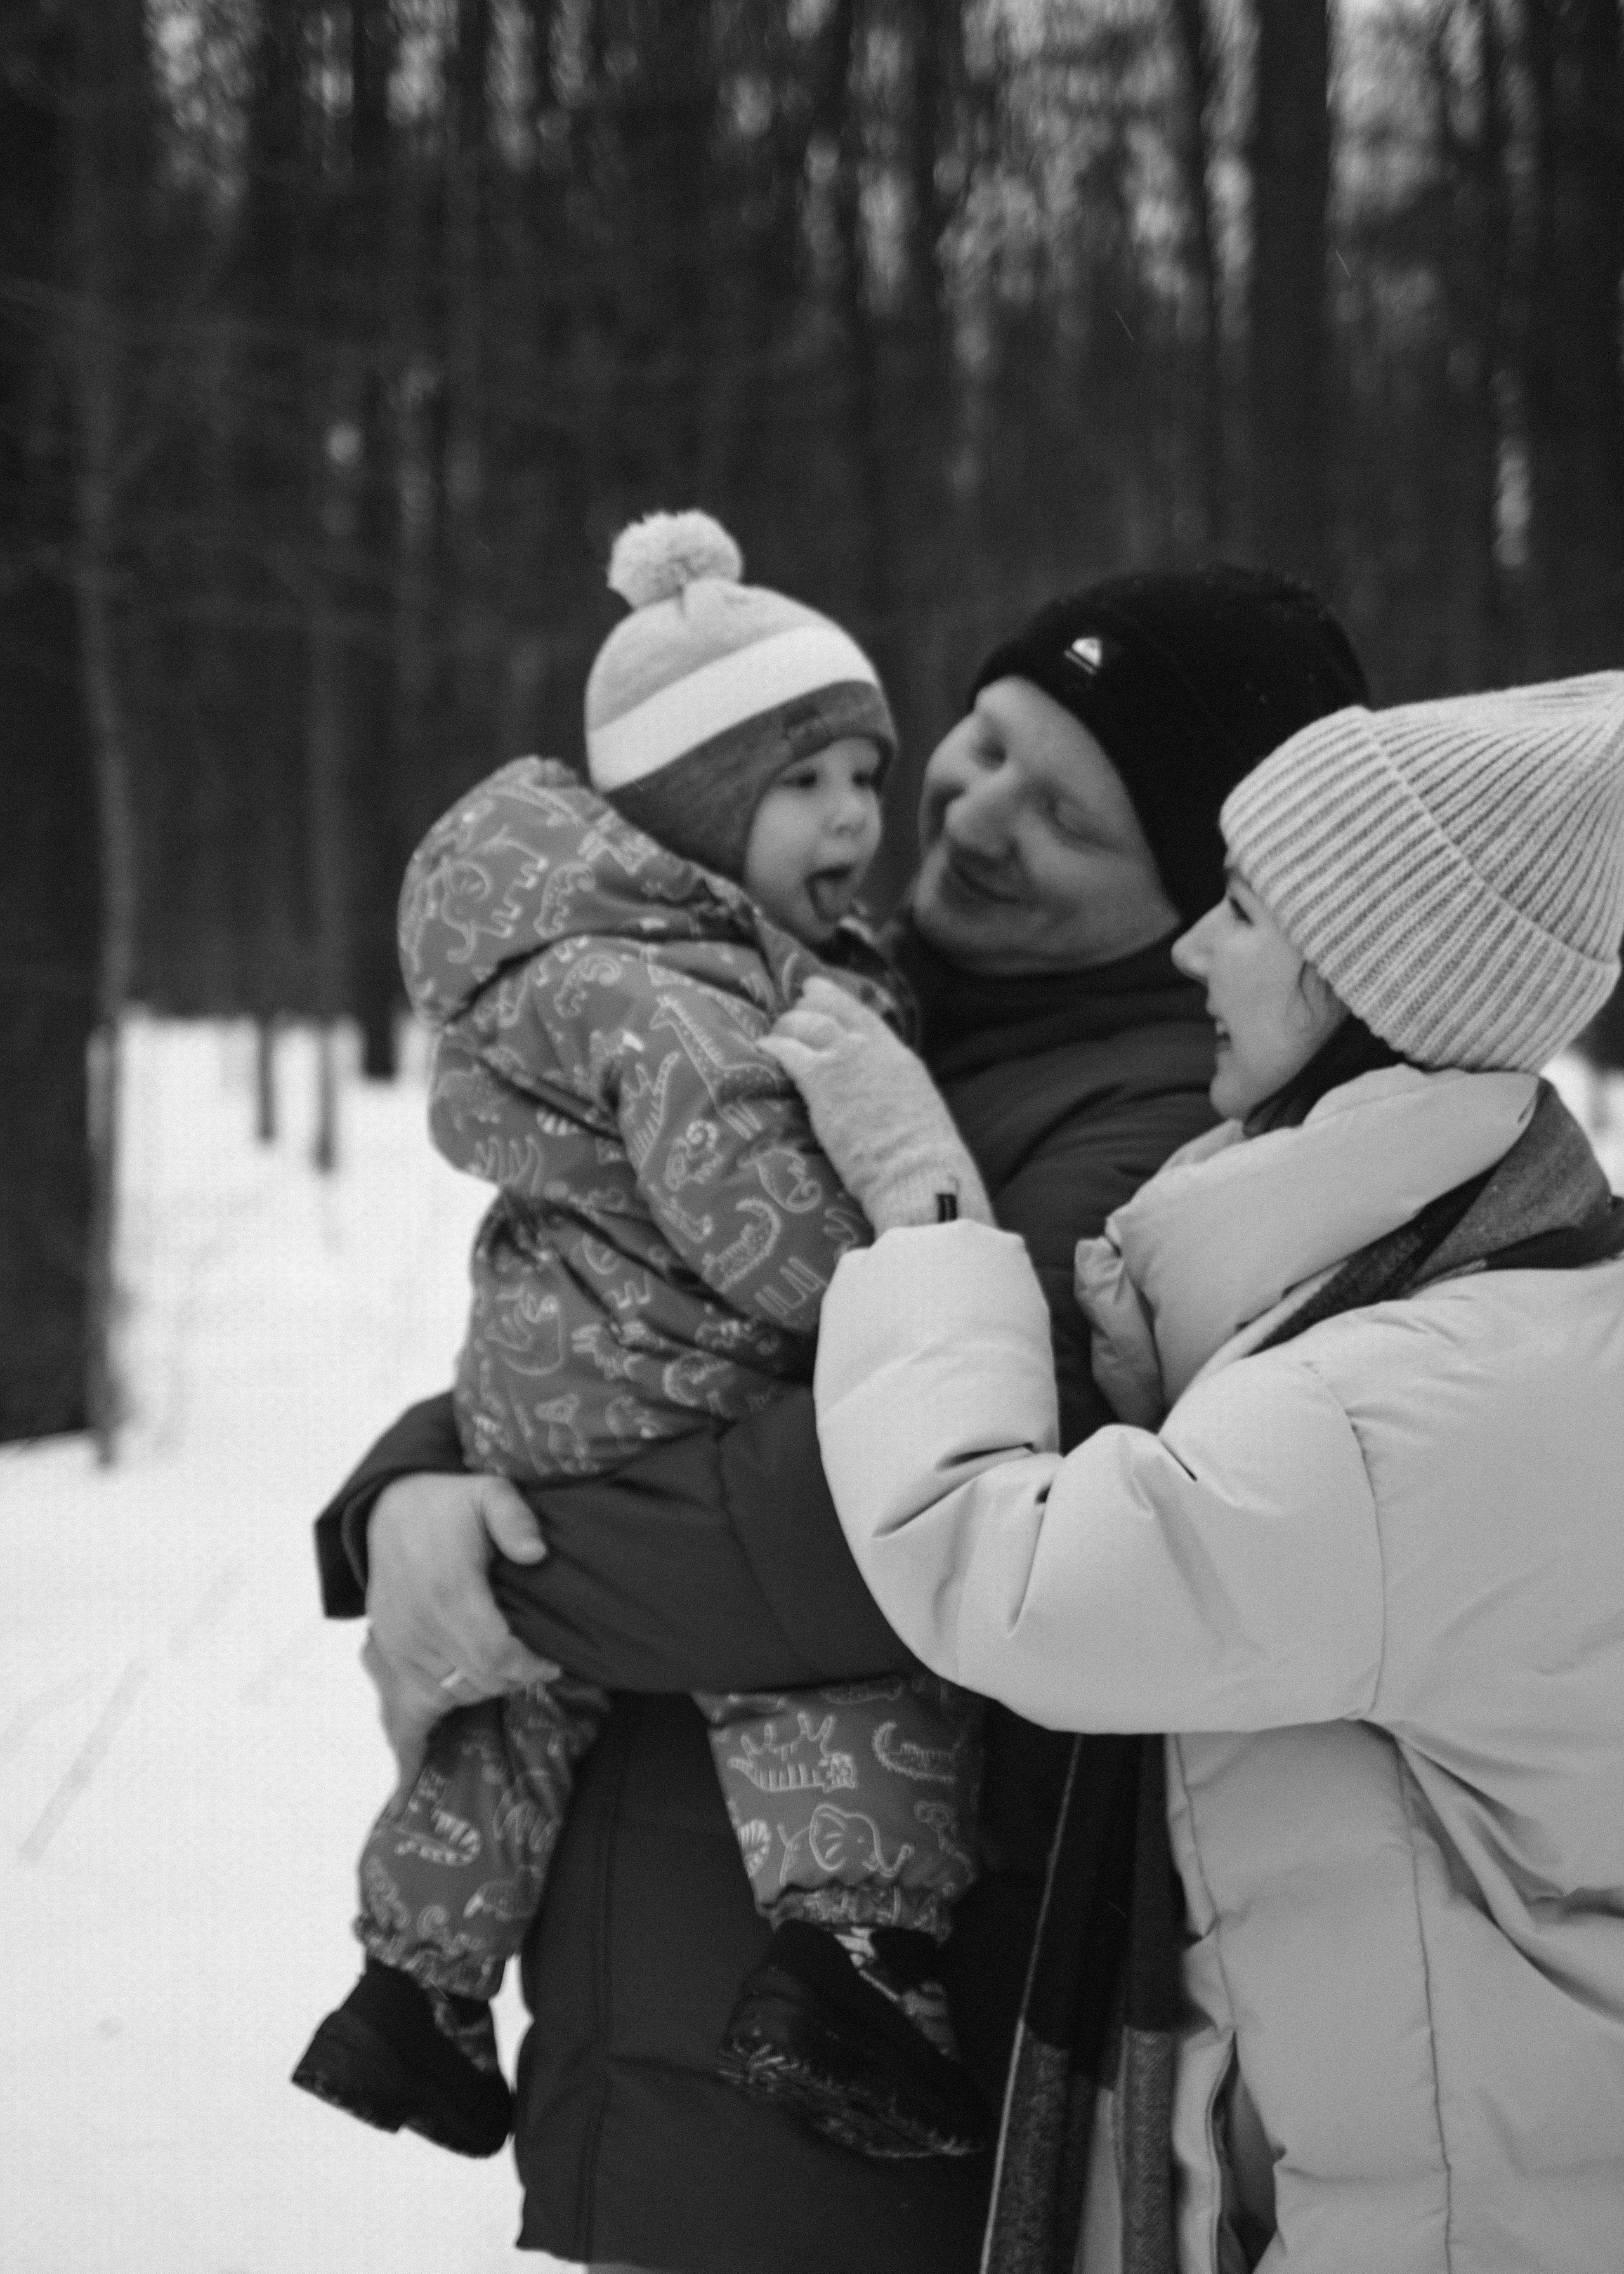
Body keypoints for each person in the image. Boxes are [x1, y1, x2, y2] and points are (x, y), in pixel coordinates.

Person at [312, 566, 1370, 2273]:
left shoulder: (1154, 1135)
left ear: (1196, 896)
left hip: (843, 2071)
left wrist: (495, 1576)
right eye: (985, 740)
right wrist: (410, 1489)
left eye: (1069, 815)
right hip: (672, 2008)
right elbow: (626, 1327)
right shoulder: (849, 986)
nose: (967, 806)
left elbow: (856, 1518)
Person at [771, 673, 1624, 2273]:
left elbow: (998, 1573)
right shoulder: (1497, 1307)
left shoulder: (1402, 1406)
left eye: (1238, 907)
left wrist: (928, 1211)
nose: (1189, 950)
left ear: (1366, 973)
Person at [296, 513, 988, 2164]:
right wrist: (897, 1260)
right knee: (817, 1664)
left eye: (864, 777)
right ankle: (855, 1964)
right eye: (803, 780)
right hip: (664, 1387)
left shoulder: (652, 961)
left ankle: (419, 1985)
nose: (855, 820)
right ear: (691, 808)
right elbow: (754, 1221)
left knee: (515, 1709)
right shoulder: (670, 999)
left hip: (545, 1391)